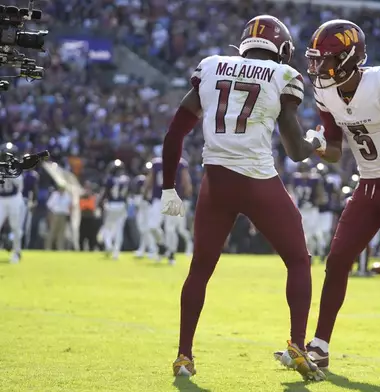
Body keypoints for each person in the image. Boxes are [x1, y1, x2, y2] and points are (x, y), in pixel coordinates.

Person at [159, 15, 326, 381]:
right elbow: (296, 150)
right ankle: (297, 342)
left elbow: (174, 133)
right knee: (298, 260)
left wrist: (169, 186)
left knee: (200, 268)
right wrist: (317, 140)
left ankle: (184, 355)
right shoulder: (282, 76)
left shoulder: (212, 66)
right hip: (257, 180)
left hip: (215, 181)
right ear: (281, 49)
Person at [275, 19, 380, 376]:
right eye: (314, 60)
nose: (316, 67)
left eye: (325, 60)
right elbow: (334, 150)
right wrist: (316, 143)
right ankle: (320, 345)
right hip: (367, 184)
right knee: (337, 260)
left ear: (349, 57)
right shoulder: (326, 92)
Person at [98, 160, 130, 260]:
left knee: (107, 227)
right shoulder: (126, 179)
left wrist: (100, 203)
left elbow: (105, 193)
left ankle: (108, 245)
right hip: (122, 205)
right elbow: (127, 194)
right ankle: (116, 252)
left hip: (111, 205)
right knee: (119, 230)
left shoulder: (110, 179)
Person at [162, 157, 192, 265]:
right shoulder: (164, 163)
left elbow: (186, 183)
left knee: (172, 228)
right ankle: (169, 250)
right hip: (168, 198)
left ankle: (171, 252)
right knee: (171, 228)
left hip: (175, 198)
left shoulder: (180, 164)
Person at [0, 168, 24, 263]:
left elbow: (20, 184)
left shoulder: (13, 170)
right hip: (1, 199)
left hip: (14, 199)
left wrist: (8, 173)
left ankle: (17, 252)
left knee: (15, 227)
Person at [45, 184, 72, 251]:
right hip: (55, 214)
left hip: (63, 215)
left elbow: (70, 205)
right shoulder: (55, 195)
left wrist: (69, 214)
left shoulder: (67, 195)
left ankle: (60, 248)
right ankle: (48, 247)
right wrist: (51, 214)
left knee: (61, 232)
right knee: (52, 231)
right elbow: (49, 205)